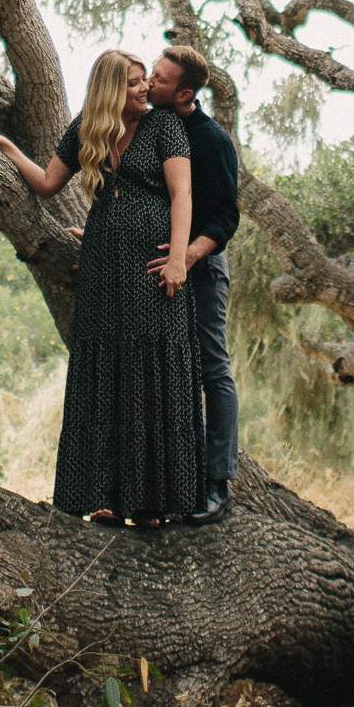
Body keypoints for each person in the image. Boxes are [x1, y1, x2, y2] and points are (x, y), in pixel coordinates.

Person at [0, 50, 206, 525]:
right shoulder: (84, 129)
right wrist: (5, 147)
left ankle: (153, 502)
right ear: (111, 90)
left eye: (145, 81)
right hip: (103, 269)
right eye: (134, 83)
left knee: (150, 373)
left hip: (154, 268)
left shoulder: (164, 128)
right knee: (106, 371)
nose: (144, 89)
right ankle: (107, 498)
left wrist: (179, 258)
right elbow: (48, 184)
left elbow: (183, 194)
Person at [145, 45, 239, 526]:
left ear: (184, 94)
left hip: (201, 270)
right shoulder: (146, 127)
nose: (149, 83)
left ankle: (217, 484)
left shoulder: (211, 141)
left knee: (211, 368)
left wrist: (185, 256)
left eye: (159, 80)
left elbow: (226, 217)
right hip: (152, 271)